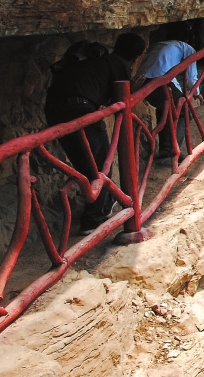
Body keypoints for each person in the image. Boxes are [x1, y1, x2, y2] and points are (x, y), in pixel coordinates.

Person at [44, 33, 148, 232]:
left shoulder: (97, 60)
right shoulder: (119, 64)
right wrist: (133, 89)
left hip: (54, 108)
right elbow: (117, 101)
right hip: (81, 110)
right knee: (100, 164)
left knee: (85, 163)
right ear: (137, 57)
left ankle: (102, 206)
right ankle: (93, 219)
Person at [139, 27, 200, 159]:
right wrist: (196, 92)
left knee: (164, 109)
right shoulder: (187, 48)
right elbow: (191, 78)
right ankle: (172, 149)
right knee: (183, 110)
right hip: (161, 81)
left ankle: (165, 149)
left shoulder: (158, 45)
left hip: (142, 82)